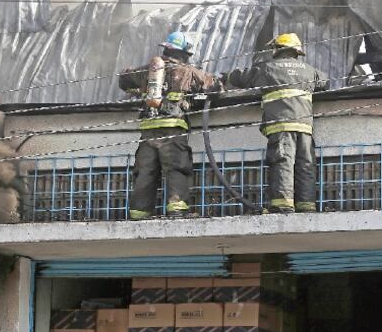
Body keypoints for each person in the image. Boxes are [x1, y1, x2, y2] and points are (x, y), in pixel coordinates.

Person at [119, 31, 222, 219]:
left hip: (148, 130)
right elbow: (215, 87)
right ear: (184, 54)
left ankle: (139, 213)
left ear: (166, 49)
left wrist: (139, 84)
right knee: (177, 168)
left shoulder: (149, 70)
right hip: (173, 128)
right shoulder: (189, 72)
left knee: (145, 171)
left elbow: (123, 79)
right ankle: (177, 210)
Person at [223, 33, 329, 214]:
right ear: (297, 52)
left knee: (282, 162)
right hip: (305, 127)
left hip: (281, 126)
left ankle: (282, 205)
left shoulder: (267, 69)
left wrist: (225, 77)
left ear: (277, 50)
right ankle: (306, 206)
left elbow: (242, 77)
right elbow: (325, 82)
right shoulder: (309, 70)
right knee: (305, 165)